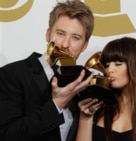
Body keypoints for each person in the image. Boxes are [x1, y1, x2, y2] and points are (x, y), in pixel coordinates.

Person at [0, 1, 94, 141]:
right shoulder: (12, 75)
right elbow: (5, 135)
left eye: (76, 38)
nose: (65, 45)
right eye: (61, 33)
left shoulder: (82, 85)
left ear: (84, 45)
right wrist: (57, 104)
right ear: (48, 34)